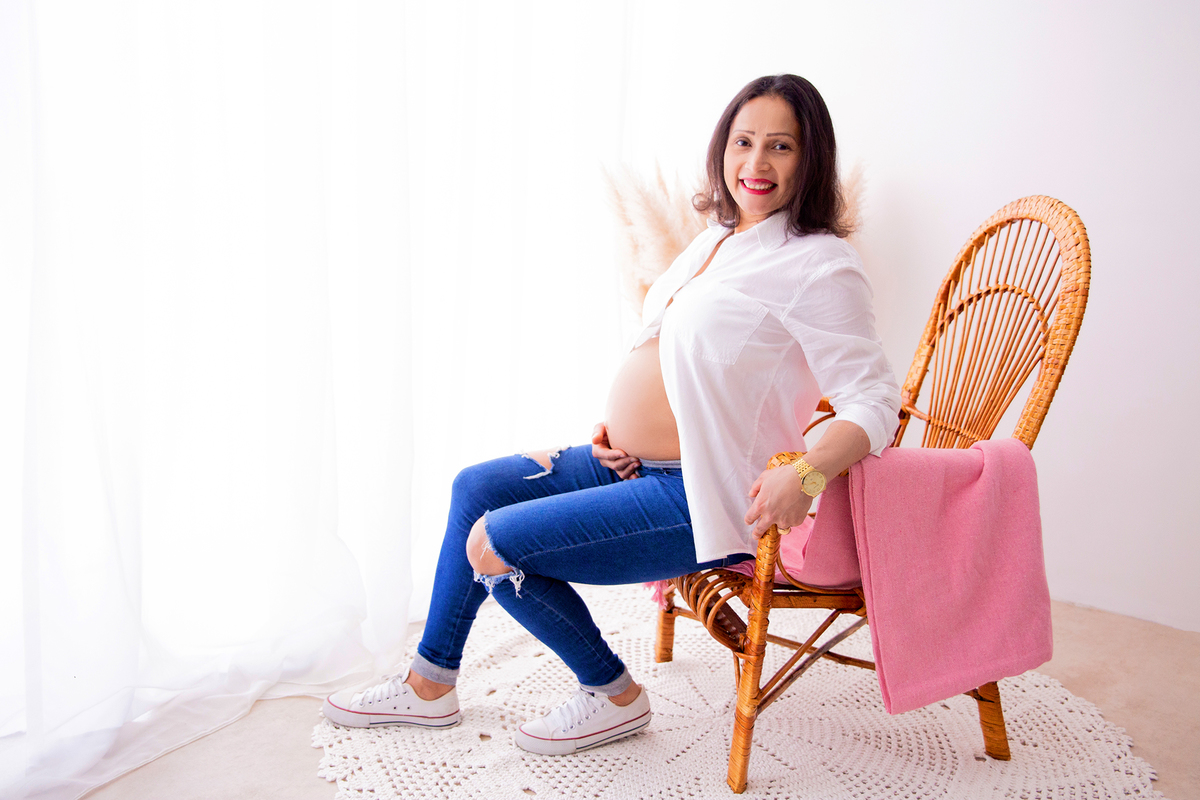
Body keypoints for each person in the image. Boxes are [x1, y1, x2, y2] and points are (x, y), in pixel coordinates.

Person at [322, 74, 901, 755]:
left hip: (696, 494)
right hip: (628, 465)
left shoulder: (820, 265)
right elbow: (671, 354)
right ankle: (431, 682)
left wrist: (803, 477)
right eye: (744, 142)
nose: (757, 164)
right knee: (474, 488)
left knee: (494, 544)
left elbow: (873, 403)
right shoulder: (716, 238)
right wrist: (616, 426)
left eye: (781, 146)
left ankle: (611, 693)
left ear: (812, 159)